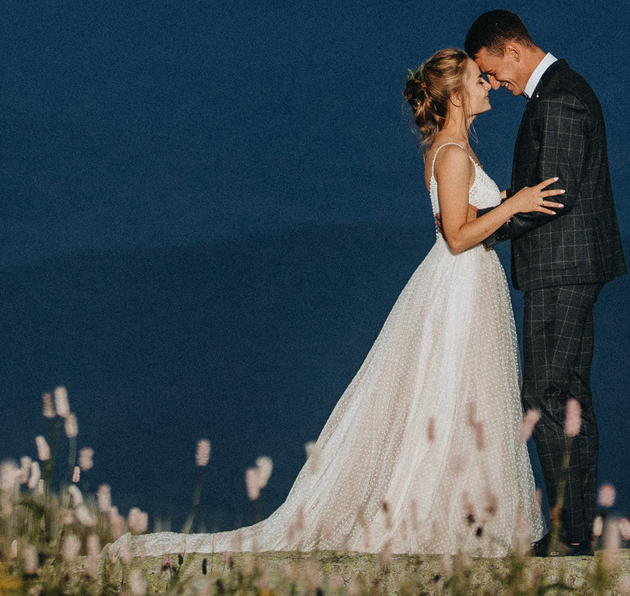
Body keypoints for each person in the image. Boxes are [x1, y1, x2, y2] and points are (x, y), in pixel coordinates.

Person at [120, 48, 555, 558]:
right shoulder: (453, 154)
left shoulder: (451, 148)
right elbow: (458, 236)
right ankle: (444, 520)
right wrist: (514, 204)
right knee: (454, 394)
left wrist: (503, 204)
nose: (487, 84)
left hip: (465, 283)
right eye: (478, 80)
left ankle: (464, 515)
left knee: (461, 398)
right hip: (462, 282)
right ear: (457, 97)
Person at [463, 8, 625, 554]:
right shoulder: (562, 89)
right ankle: (576, 530)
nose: (494, 84)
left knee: (545, 394)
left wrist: (486, 227)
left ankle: (572, 536)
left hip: (562, 267)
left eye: (492, 71)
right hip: (573, 266)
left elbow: (551, 196)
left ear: (511, 49)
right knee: (569, 396)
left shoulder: (556, 100)